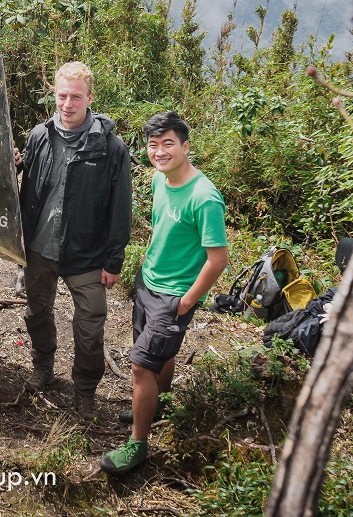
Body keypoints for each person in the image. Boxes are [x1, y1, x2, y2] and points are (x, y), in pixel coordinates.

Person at [101, 111, 229, 475]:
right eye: (153, 145)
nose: (159, 151)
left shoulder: (204, 197)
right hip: (149, 281)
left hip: (174, 296)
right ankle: (160, 403)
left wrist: (187, 301)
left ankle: (137, 446)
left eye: (168, 144)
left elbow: (218, 259)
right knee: (159, 356)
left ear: (186, 147)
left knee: (141, 365)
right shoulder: (161, 180)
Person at [19, 61, 131, 422]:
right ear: (54, 93)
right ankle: (43, 368)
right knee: (36, 312)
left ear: (90, 97)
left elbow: (120, 207)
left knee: (89, 326)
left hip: (86, 254)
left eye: (76, 97)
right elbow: (29, 189)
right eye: (62, 95)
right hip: (39, 246)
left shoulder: (110, 147)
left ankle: (85, 389)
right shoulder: (39, 135)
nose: (68, 104)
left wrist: (113, 260)